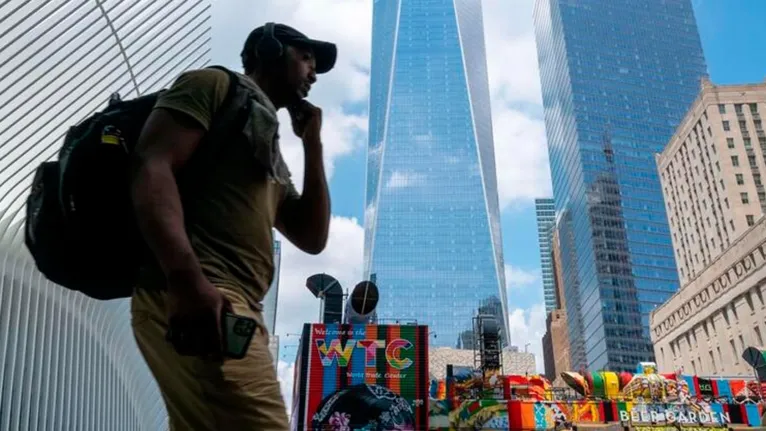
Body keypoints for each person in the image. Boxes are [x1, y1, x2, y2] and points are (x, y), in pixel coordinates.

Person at [128, 22, 336, 430]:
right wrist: (187, 279)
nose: (313, 73)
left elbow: (312, 237)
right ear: (271, 49)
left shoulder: (270, 145)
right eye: (306, 56)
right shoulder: (213, 85)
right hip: (204, 293)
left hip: (232, 306)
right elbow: (151, 165)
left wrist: (312, 143)